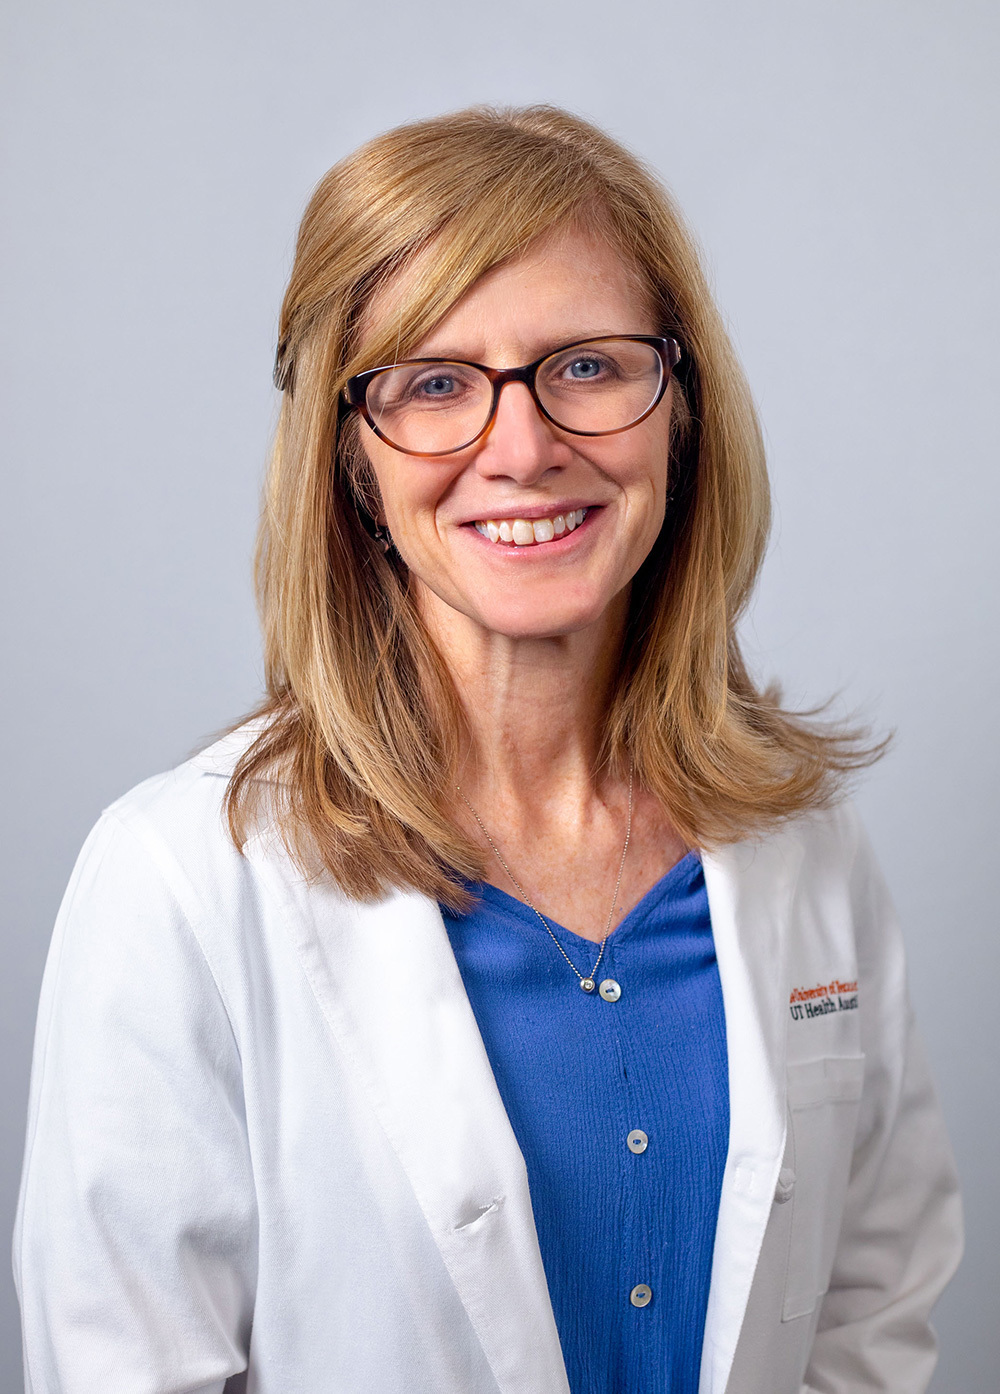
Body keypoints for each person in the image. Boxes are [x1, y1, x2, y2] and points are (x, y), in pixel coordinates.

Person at [14, 105, 961, 1394]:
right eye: (436, 383)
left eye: (585, 365)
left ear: (679, 404)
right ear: (349, 454)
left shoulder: (802, 846)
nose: (520, 450)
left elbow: (872, 1313)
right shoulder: (180, 877)